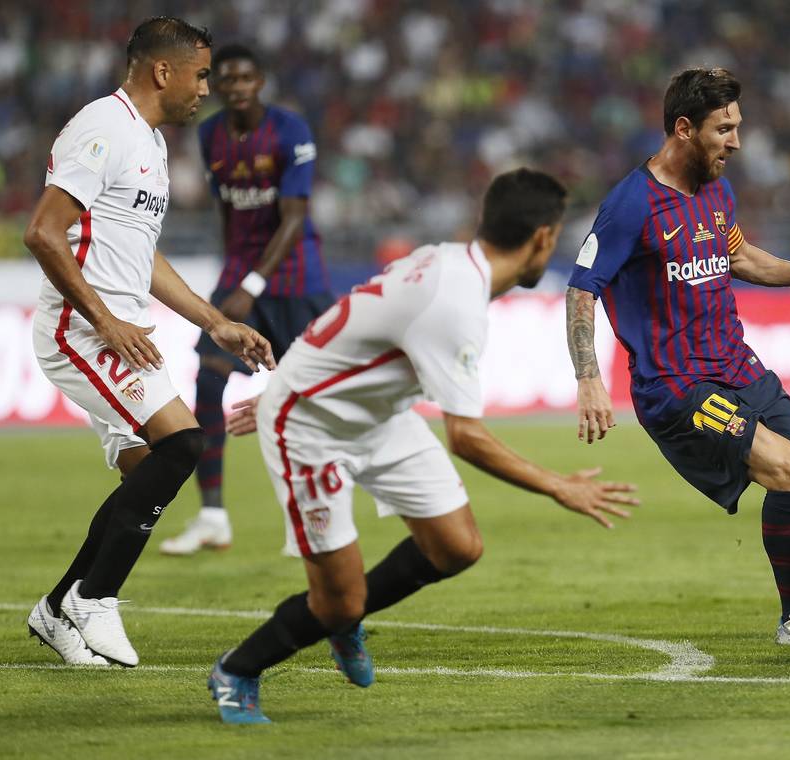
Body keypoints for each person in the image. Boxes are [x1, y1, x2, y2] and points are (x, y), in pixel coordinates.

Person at [207, 169, 638, 724]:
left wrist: (296, 375)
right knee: (338, 600)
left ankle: (341, 620)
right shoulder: (456, 304)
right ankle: (238, 669)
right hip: (311, 426)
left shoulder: (446, 261)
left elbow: (357, 316)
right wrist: (560, 486)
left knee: (456, 546)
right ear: (543, 238)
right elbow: (466, 437)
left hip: (378, 414)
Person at [567, 68, 790, 649]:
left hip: (739, 368)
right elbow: (581, 288)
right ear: (684, 129)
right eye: (724, 129)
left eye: (737, 126)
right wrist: (588, 378)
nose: (736, 142)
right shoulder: (631, 204)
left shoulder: (717, 191)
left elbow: (739, 259)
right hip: (678, 388)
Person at [24, 17, 275, 668]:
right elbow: (44, 233)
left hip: (124, 332)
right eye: (200, 75)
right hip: (81, 330)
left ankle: (56, 609)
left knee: (147, 470)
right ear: (163, 71)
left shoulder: (152, 143)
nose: (207, 89)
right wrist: (105, 321)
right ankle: (93, 597)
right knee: (184, 443)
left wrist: (214, 322)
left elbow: (144, 256)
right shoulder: (103, 128)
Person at [161, 44, 333, 556]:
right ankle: (212, 516)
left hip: (296, 278)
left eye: (245, 79)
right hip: (240, 275)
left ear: (260, 82)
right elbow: (227, 210)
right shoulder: (210, 133)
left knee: (313, 394)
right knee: (208, 381)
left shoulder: (290, 131)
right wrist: (233, 272)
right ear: (216, 84)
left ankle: (316, 514)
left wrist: (249, 285)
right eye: (227, 79)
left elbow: (294, 218)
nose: (236, 88)